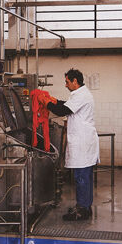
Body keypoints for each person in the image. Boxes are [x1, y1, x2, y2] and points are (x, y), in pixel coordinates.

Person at [45, 68, 100, 221]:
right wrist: (55, 101)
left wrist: (47, 103)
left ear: (75, 81)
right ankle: (85, 207)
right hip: (84, 142)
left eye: (67, 82)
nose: (65, 85)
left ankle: (81, 210)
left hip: (83, 143)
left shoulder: (81, 95)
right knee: (85, 176)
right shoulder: (80, 95)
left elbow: (63, 110)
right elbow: (66, 105)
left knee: (81, 177)